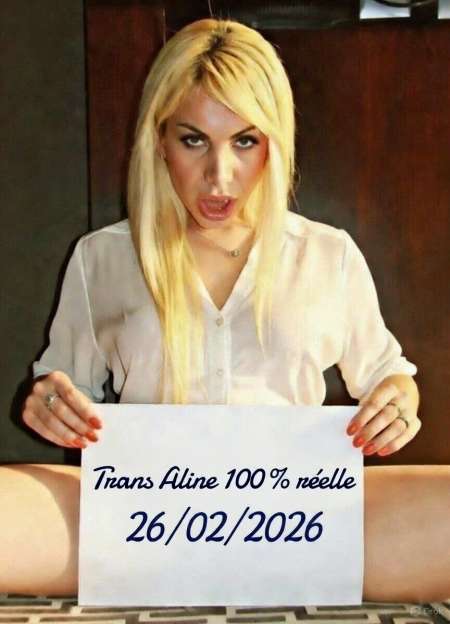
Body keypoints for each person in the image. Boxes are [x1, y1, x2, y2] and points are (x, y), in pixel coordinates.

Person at [1, 18, 449, 603]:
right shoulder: (102, 258)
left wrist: (398, 403)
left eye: (244, 141)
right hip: (140, 524)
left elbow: (390, 377)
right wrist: (49, 402)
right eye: (194, 140)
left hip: (302, 520)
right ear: (159, 141)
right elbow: (59, 388)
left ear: (274, 143)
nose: (220, 176)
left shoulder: (326, 254)